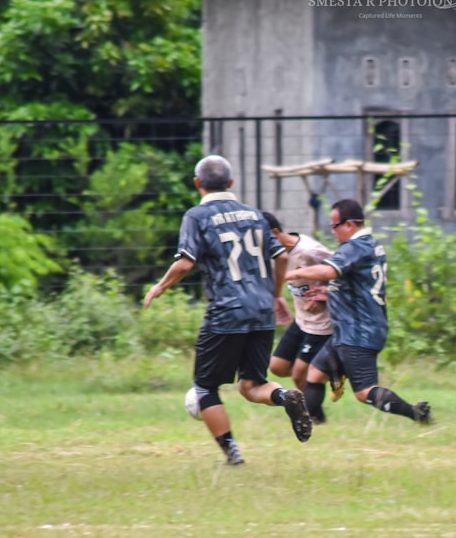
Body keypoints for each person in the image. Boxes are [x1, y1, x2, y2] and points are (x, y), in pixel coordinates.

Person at [142, 155, 312, 466]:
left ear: (197, 184)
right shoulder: (254, 214)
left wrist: (159, 287)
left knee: (206, 387)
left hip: (226, 311)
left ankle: (233, 455)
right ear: (231, 183)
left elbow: (184, 262)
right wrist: (274, 297)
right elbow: (283, 258)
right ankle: (285, 396)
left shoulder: (197, 216)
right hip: (261, 309)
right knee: (252, 385)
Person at [285, 198, 432, 425]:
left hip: (358, 331)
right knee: (314, 374)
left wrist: (293, 274)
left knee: (364, 392)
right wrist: (329, 293)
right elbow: (355, 281)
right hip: (351, 328)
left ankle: (415, 413)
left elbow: (329, 271)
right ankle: (315, 424)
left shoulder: (356, 246)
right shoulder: (370, 244)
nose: (332, 231)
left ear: (350, 224)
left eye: (335, 226)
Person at [263, 211, 336, 406]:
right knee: (277, 366)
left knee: (298, 374)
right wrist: (277, 300)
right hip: (302, 321)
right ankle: (326, 372)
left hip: (323, 324)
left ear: (275, 232)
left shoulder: (309, 251)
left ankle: (313, 416)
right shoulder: (276, 255)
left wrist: (326, 293)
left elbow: (345, 271)